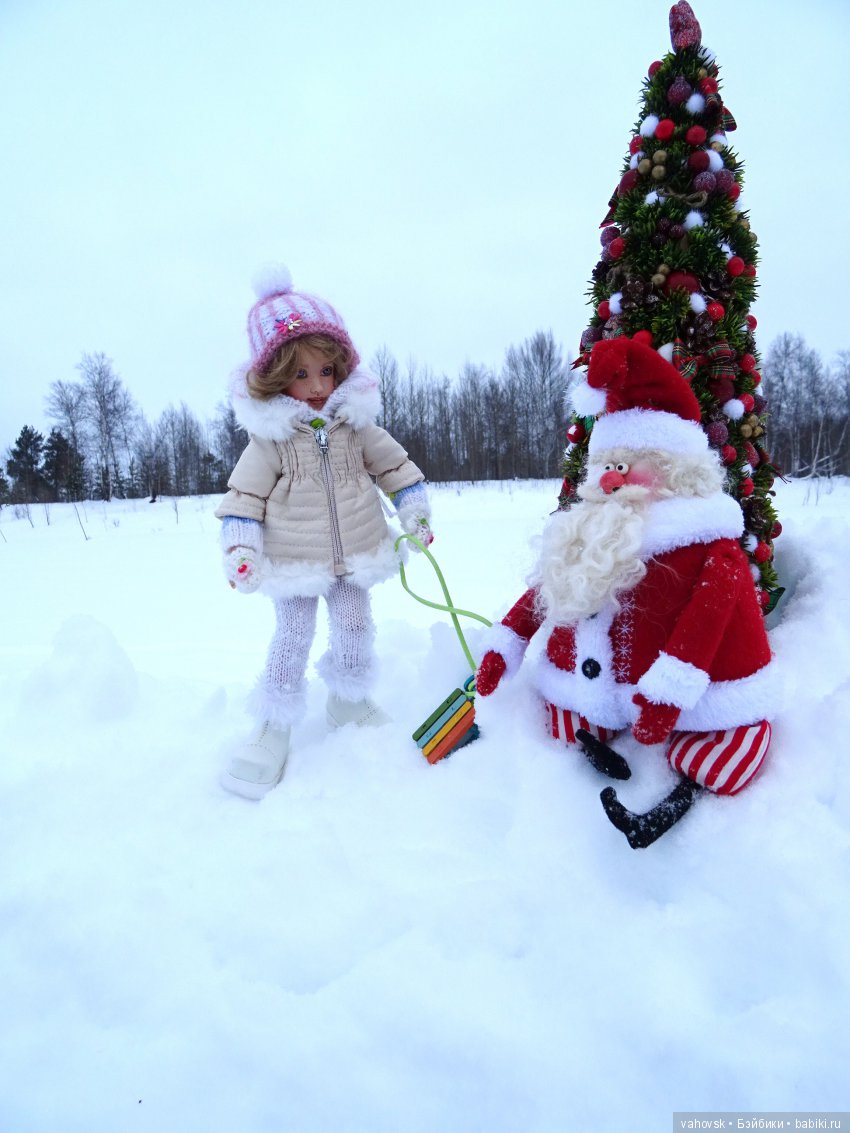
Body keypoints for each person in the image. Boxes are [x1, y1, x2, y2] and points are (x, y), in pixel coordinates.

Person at [475, 336, 781, 846]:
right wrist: (509, 641)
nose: (615, 479)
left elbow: (706, 622)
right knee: (567, 722)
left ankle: (681, 790)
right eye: (608, 466)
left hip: (698, 693)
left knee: (721, 752)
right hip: (596, 692)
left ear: (674, 470)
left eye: (630, 465)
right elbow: (550, 590)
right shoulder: (590, 529)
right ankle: (599, 734)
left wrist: (669, 691)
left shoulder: (706, 541)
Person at [215, 264, 432, 799]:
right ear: (274, 378)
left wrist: (415, 511)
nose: (316, 387)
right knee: (291, 638)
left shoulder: (356, 426)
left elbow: (396, 469)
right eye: (300, 374)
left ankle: (349, 700)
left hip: (356, 553)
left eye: (325, 372)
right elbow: (243, 499)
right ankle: (274, 724)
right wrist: (242, 548)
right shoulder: (271, 440)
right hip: (295, 562)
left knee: (356, 626)